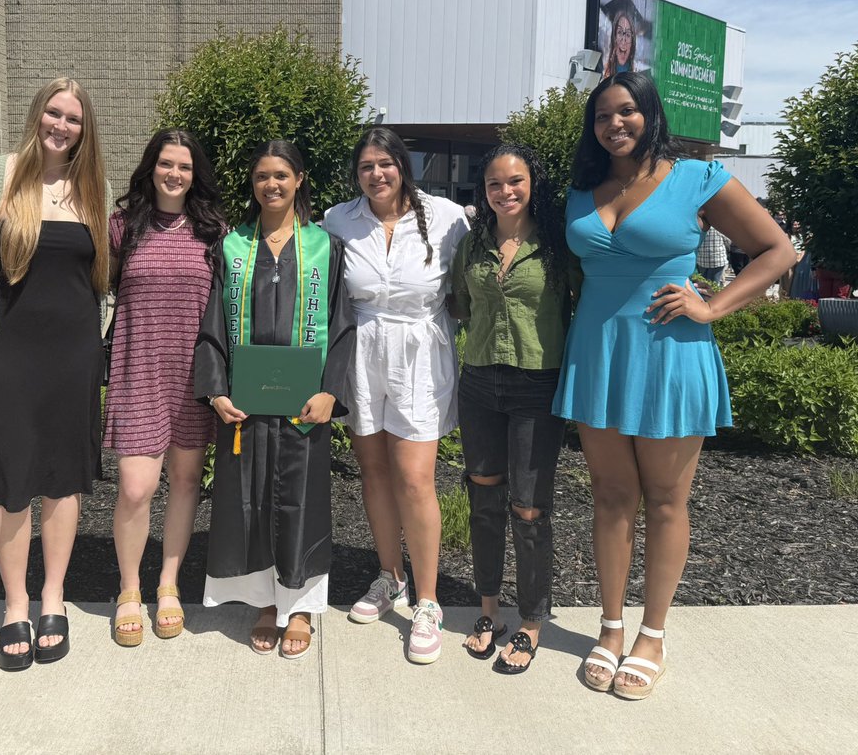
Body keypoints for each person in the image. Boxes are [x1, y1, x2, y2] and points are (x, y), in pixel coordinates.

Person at [553, 72, 794, 699]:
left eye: (627, 111)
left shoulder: (697, 177)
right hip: (599, 352)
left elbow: (777, 251)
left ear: (649, 113)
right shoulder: (584, 188)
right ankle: (610, 627)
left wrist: (713, 306)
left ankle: (652, 634)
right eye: (603, 115)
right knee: (609, 494)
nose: (615, 124)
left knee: (664, 499)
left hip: (670, 352)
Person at [0, 77, 112, 672]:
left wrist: (99, 338)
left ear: (84, 127)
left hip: (73, 353)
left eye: (72, 117)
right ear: (37, 114)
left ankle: (53, 596)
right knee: (10, 477)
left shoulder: (92, 187)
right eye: (53, 112)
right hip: (4, 349)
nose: (61, 125)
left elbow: (104, 276)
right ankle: (15, 605)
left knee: (62, 477)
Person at [194, 139, 355, 659]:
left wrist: (332, 389)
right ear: (253, 181)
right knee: (253, 498)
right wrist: (215, 390)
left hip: (305, 405)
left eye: (282, 175)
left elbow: (343, 326)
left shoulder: (325, 248)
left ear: (300, 180)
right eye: (262, 175)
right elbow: (213, 325)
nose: (272, 184)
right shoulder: (232, 245)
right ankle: (267, 604)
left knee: (301, 499)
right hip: (245, 405)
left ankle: (301, 606)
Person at [321, 127, 468, 664]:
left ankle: (428, 600)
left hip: (420, 357)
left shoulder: (449, 217)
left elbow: (471, 279)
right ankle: (391, 576)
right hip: (363, 354)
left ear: (403, 166)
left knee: (414, 477)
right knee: (375, 472)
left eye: (385, 164)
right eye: (366, 167)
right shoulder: (340, 220)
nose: (377, 175)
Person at [449, 144, 578, 675]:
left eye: (516, 181)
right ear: (484, 191)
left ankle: (529, 622)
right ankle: (488, 611)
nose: (506, 192)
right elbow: (459, 302)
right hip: (478, 383)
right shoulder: (473, 245)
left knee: (528, 507)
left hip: (535, 387)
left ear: (533, 184)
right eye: (495, 184)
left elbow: (581, 304)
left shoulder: (556, 245)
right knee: (483, 497)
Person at [105, 129, 227, 646]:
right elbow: (96, 291)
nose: (174, 174)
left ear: (194, 174)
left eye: (184, 166)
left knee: (184, 482)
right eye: (165, 164)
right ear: (150, 167)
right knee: (136, 487)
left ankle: (168, 583)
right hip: (137, 369)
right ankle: (128, 589)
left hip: (193, 376)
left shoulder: (212, 230)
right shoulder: (121, 228)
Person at [602, 11, 636, 79]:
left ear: (632, 43)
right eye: (620, 32)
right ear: (614, 38)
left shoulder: (637, 72)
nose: (623, 40)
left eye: (628, 34)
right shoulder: (604, 71)